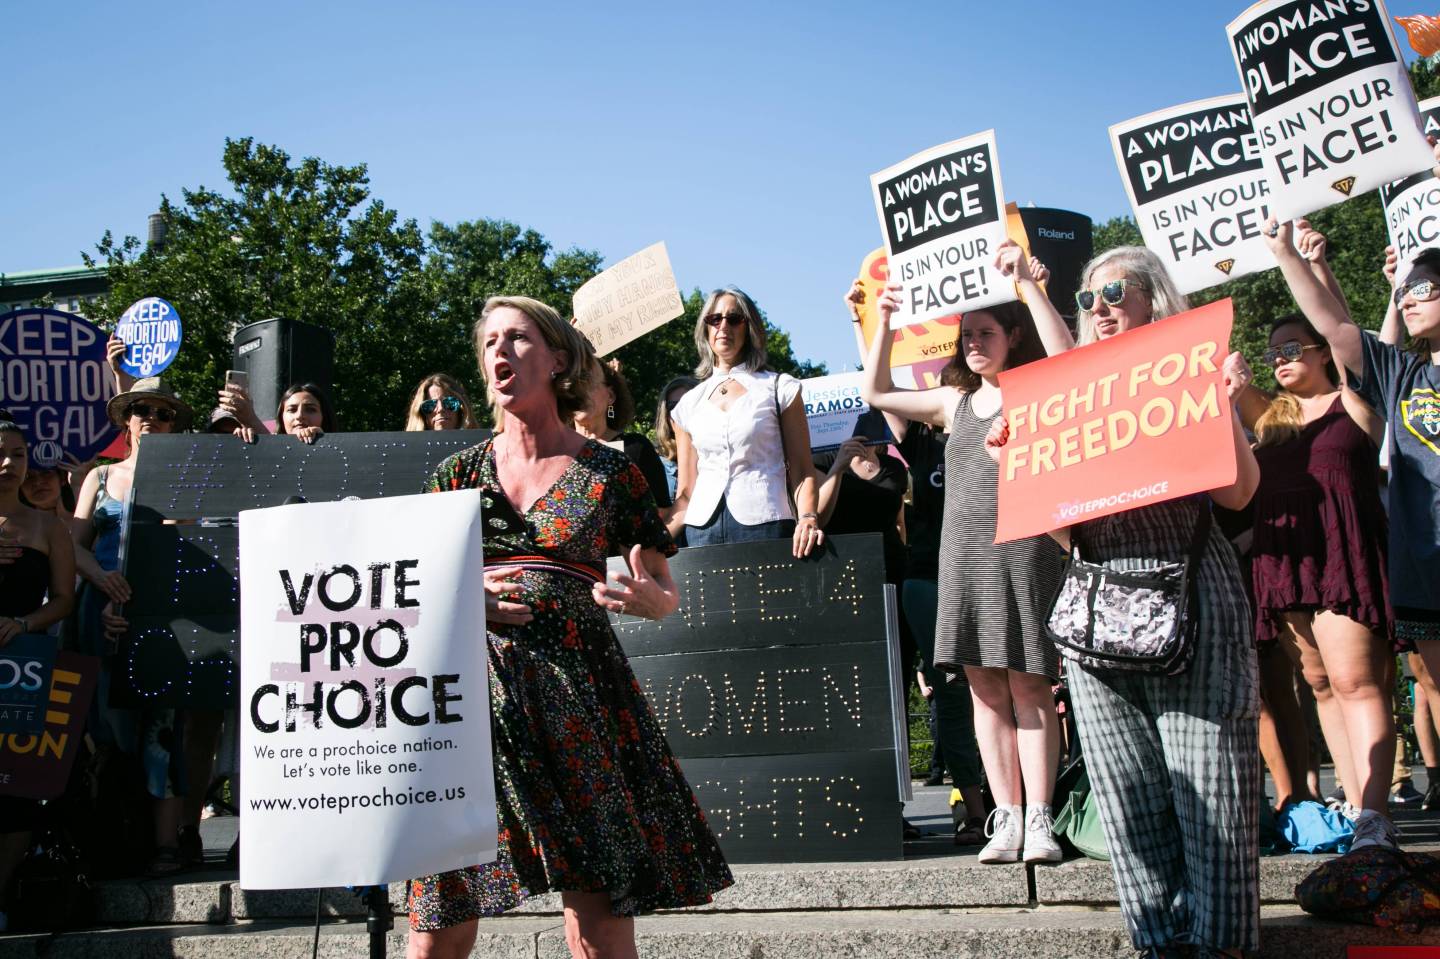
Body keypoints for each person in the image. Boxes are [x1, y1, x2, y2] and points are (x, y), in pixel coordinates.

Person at [406, 296, 732, 959]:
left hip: (581, 702)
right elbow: (414, 593)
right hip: (472, 710)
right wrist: (463, 598)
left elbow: (663, 587)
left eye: (518, 338)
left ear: (557, 359)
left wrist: (653, 602)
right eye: (490, 341)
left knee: (599, 920)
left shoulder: (611, 471)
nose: (500, 350)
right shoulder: (454, 475)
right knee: (440, 911)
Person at [987, 245, 1261, 957]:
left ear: (1152, 297)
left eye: (1115, 292)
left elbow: (1238, 493)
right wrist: (1016, 466)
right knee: (1126, 792)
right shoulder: (1070, 402)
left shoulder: (1189, 371)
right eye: (1088, 298)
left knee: (1212, 786)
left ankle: (1220, 945)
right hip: (1097, 607)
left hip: (1192, 595)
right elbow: (1065, 533)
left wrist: (1223, 405)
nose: (1099, 307)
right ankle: (1159, 942)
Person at [860, 242, 1074, 864]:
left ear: (1013, 336)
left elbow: (1069, 360)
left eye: (986, 333)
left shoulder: (1037, 391)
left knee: (1030, 686)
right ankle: (1005, 817)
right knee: (983, 689)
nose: (974, 343)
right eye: (967, 335)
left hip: (1027, 554)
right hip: (962, 561)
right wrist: (884, 320)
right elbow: (877, 389)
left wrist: (1029, 286)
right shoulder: (953, 402)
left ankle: (1041, 818)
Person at [1263, 215, 1440, 849]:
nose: (1409, 300)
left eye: (1424, 289)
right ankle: (1362, 812)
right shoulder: (1400, 377)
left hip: (1354, 554)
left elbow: (1341, 338)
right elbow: (1339, 329)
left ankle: (1375, 811)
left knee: (1362, 683)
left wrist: (1315, 263)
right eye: (1405, 292)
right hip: (1415, 563)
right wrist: (1287, 255)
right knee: (1340, 684)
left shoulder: (1359, 400)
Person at [71, 376, 194, 875]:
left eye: (164, 413)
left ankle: (164, 844)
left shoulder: (187, 479)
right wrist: (103, 581)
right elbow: (73, 545)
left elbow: (194, 546)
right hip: (101, 610)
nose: (152, 419)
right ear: (127, 418)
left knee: (163, 727)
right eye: (142, 409)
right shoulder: (99, 478)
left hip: (164, 614)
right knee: (105, 727)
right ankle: (112, 839)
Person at [668, 288, 823, 558]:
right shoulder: (688, 404)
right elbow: (685, 494)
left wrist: (808, 517)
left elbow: (802, 468)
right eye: (714, 319)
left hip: (766, 522)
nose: (723, 326)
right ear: (705, 328)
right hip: (701, 531)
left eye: (734, 319)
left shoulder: (779, 388)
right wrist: (652, 544)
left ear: (749, 328)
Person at [0, 419, 76, 933]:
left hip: (22, 672)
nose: (9, 463)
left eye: (18, 454)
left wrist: (25, 623)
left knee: (17, 794)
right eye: (1, 453)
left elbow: (65, 599)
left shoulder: (49, 529)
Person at [574, 357, 672, 516]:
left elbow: (663, 512)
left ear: (610, 396)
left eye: (588, 383)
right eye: (572, 387)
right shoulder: (553, 452)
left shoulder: (636, 448)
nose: (579, 393)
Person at [652, 376, 700, 504]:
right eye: (673, 406)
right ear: (665, 415)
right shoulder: (655, 464)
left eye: (688, 405)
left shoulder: (716, 460)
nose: (680, 412)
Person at [405, 373, 480, 431]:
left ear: (462, 409)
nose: (440, 409)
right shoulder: (408, 447)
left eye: (449, 403)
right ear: (421, 414)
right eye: (430, 405)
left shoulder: (483, 444)